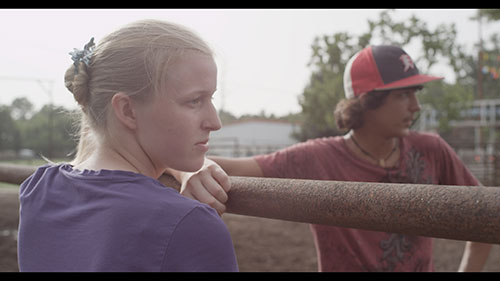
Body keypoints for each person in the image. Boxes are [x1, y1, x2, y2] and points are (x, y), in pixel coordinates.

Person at [171, 45, 492, 272]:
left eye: (415, 95)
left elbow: (484, 217)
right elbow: (220, 166)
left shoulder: (431, 149)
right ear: (368, 101)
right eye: (402, 95)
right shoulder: (318, 156)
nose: (416, 107)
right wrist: (190, 172)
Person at [17, 19, 238, 272]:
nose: (215, 122)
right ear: (127, 110)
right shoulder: (187, 223)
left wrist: (188, 169)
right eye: (194, 101)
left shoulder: (38, 189)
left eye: (210, 98)